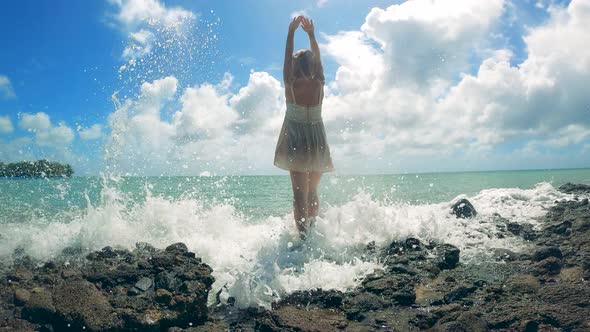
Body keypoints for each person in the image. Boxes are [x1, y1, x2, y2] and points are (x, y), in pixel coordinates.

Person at [274, 16, 335, 239]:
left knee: (299, 193)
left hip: (296, 135)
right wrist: (311, 34)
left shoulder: (290, 82)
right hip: (317, 135)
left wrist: (291, 32)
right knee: (312, 191)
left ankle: (303, 239)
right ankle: (313, 230)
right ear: (313, 65)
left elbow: (287, 60)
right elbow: (318, 59)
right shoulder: (319, 80)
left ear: (295, 64)